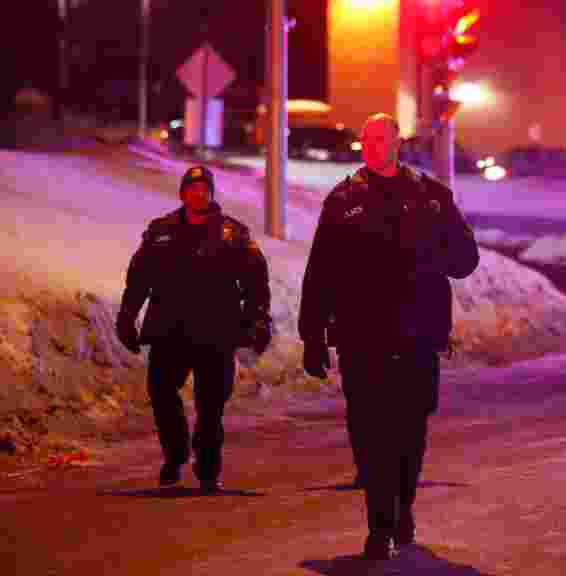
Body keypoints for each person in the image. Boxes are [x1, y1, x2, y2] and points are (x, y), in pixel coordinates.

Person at [298, 113, 479, 560]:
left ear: (398, 143)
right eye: (367, 139)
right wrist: (313, 335)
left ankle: (402, 507)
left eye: (381, 138)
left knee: (410, 428)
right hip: (362, 333)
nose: (373, 146)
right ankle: (380, 523)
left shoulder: (430, 196)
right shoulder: (344, 200)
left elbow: (465, 258)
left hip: (418, 333)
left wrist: (433, 255)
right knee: (368, 428)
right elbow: (321, 271)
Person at [115, 165, 272, 492]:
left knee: (211, 404)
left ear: (211, 194)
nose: (199, 194)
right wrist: (127, 316)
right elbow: (139, 278)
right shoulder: (161, 232)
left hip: (216, 331)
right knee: (161, 391)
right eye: (193, 188)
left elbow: (256, 282)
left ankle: (208, 469)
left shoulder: (233, 235)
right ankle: (175, 455)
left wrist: (258, 319)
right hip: (169, 330)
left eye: (204, 189)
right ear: (182, 193)